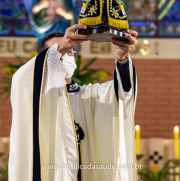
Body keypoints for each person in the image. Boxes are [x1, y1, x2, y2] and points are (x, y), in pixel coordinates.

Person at [9, 24, 138, 181]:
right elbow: (22, 78)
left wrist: (122, 57)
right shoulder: (34, 96)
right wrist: (63, 44)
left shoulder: (89, 96)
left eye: (71, 51)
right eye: (61, 51)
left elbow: (122, 96)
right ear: (45, 59)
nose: (68, 55)